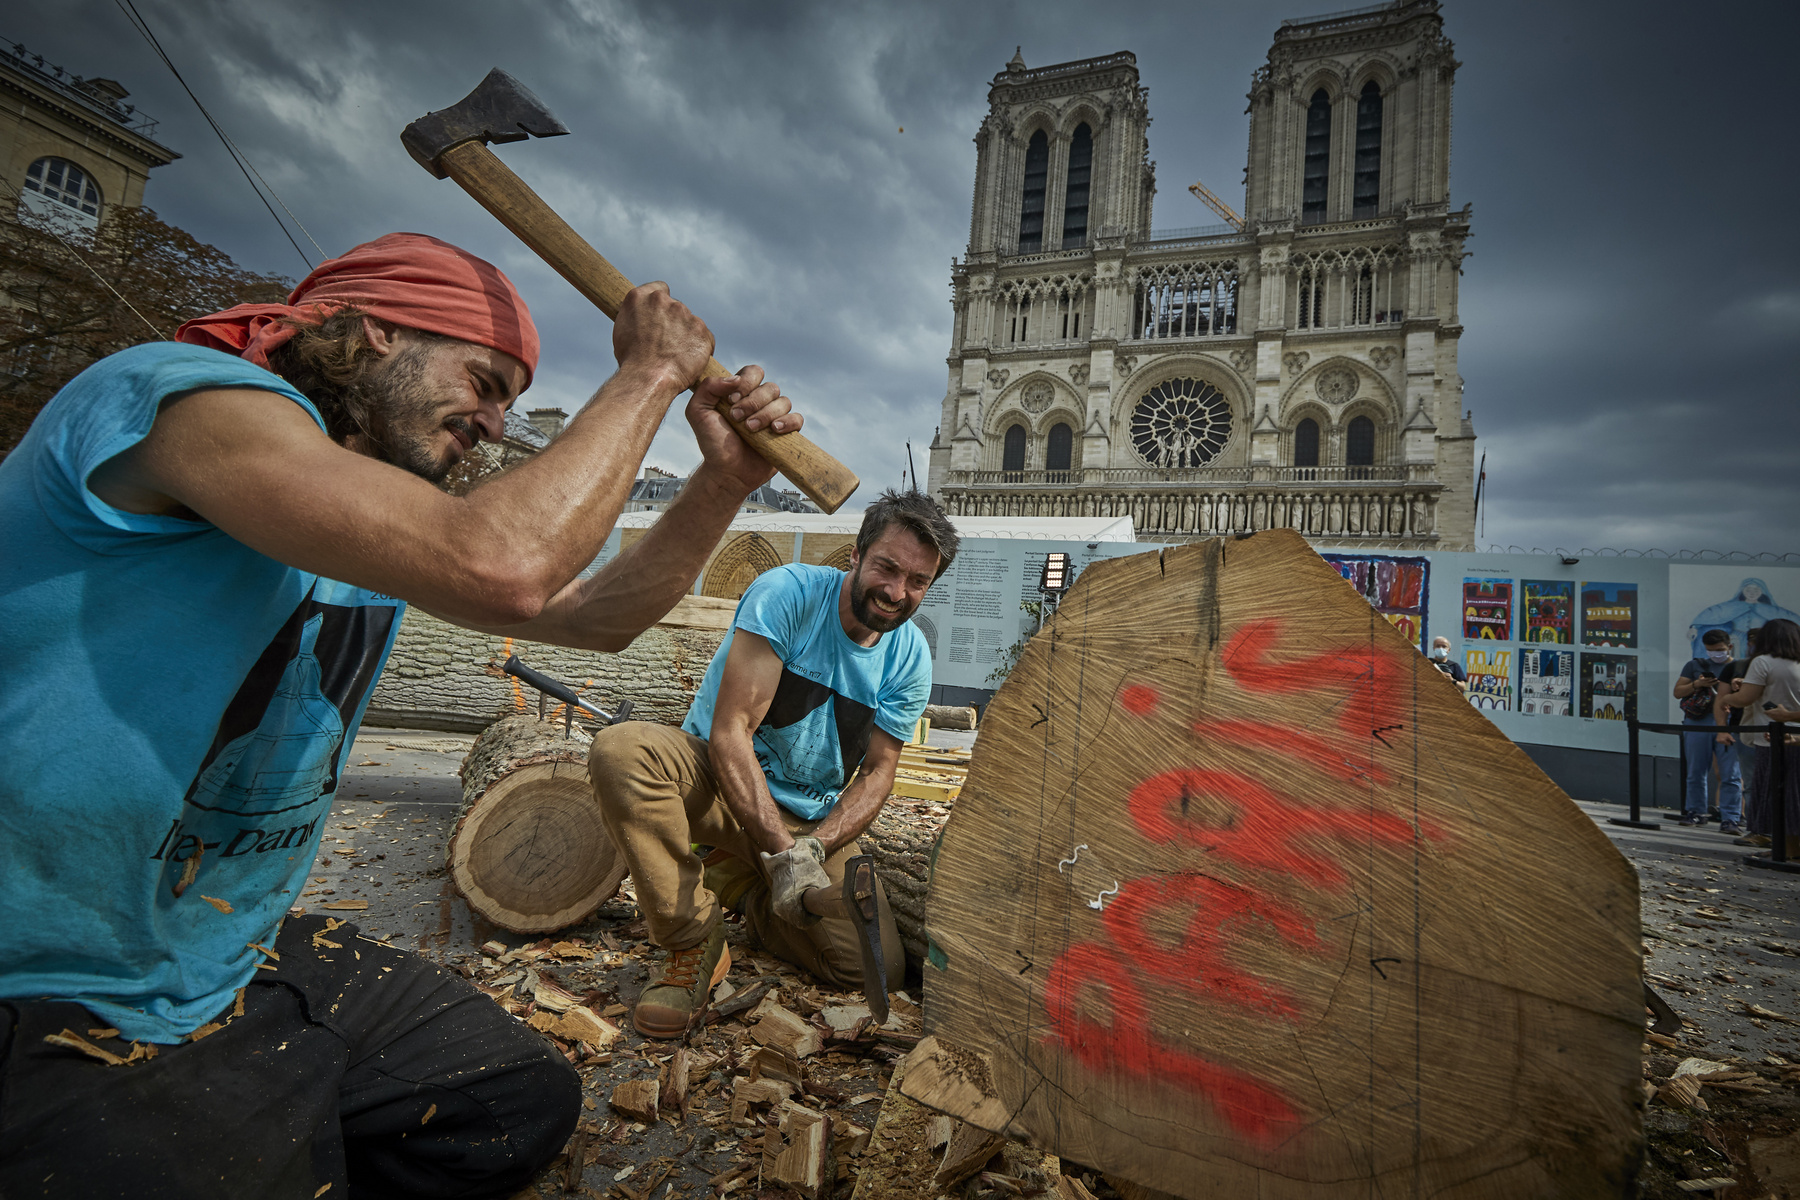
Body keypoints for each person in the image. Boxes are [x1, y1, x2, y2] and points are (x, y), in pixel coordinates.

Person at [0, 232, 806, 1198]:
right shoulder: (182, 398)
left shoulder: (371, 512)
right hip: (44, 978)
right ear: (377, 332)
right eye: (485, 383)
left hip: (210, 957)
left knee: (515, 1104)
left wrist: (723, 483)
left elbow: (600, 618)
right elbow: (503, 566)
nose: (496, 426)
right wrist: (652, 373)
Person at [587, 491, 958, 1038]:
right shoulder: (789, 594)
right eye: (887, 567)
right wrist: (784, 857)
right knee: (622, 752)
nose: (896, 592)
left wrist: (813, 851)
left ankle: (742, 887)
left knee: (863, 969)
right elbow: (731, 731)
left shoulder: (910, 657)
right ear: (856, 555)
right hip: (719, 782)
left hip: (806, 820)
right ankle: (691, 939)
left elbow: (879, 772)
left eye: (918, 581)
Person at [1720, 618, 1800, 859]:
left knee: (1773, 793)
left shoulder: (1763, 661)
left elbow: (1746, 698)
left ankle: (1785, 849)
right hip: (1796, 736)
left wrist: (1726, 698)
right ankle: (1789, 848)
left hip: (1772, 737)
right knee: (1793, 795)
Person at [1673, 629, 1746, 831]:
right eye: (1711, 650)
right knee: (1696, 771)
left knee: (1731, 773)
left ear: (1729, 647)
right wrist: (1697, 684)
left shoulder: (1739, 667)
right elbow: (1678, 692)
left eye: (1720, 650)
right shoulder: (1694, 665)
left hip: (1730, 724)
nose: (1716, 654)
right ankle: (1695, 811)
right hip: (1698, 723)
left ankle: (1731, 817)